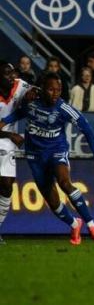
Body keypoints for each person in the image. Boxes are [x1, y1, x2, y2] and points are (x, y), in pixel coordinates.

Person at [0, 73, 94, 245]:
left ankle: (92, 225)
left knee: (64, 182)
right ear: (42, 88)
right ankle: (74, 224)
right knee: (53, 202)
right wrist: (5, 126)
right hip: (35, 156)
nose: (55, 93)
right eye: (51, 89)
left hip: (56, 151)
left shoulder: (64, 108)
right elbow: (13, 116)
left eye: (58, 90)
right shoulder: (31, 105)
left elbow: (87, 129)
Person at [0, 62, 33, 243]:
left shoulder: (20, 85)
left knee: (6, 186)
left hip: (7, 144)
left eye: (12, 72)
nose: (11, 76)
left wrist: (32, 96)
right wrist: (10, 134)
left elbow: (38, 92)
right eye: (6, 74)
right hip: (7, 136)